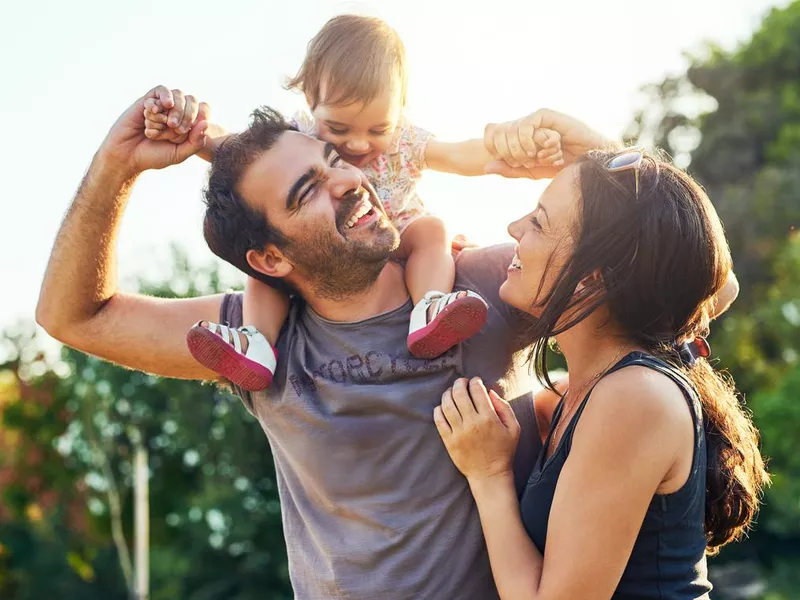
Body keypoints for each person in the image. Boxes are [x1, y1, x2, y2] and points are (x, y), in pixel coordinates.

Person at [36, 85, 562, 599]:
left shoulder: (484, 286)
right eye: (308, 190)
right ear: (269, 261)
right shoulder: (256, 344)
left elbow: (631, 251)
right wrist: (117, 162)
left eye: (334, 159)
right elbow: (74, 316)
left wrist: (621, 425)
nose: (350, 180)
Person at [433, 117, 768, 599]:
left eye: (539, 222)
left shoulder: (633, 397)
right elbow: (710, 278)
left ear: (592, 278)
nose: (513, 228)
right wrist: (608, 164)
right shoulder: (591, 390)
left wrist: (489, 475)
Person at [142, 15, 563, 390]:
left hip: (395, 235)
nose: (359, 143)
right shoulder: (299, 138)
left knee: (432, 230)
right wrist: (186, 127)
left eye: (378, 128)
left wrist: (506, 154)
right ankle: (256, 342)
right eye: (339, 128)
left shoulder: (404, 142)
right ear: (310, 99)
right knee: (270, 269)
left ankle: (430, 306)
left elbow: (456, 154)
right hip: (331, 249)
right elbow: (232, 147)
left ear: (399, 111)